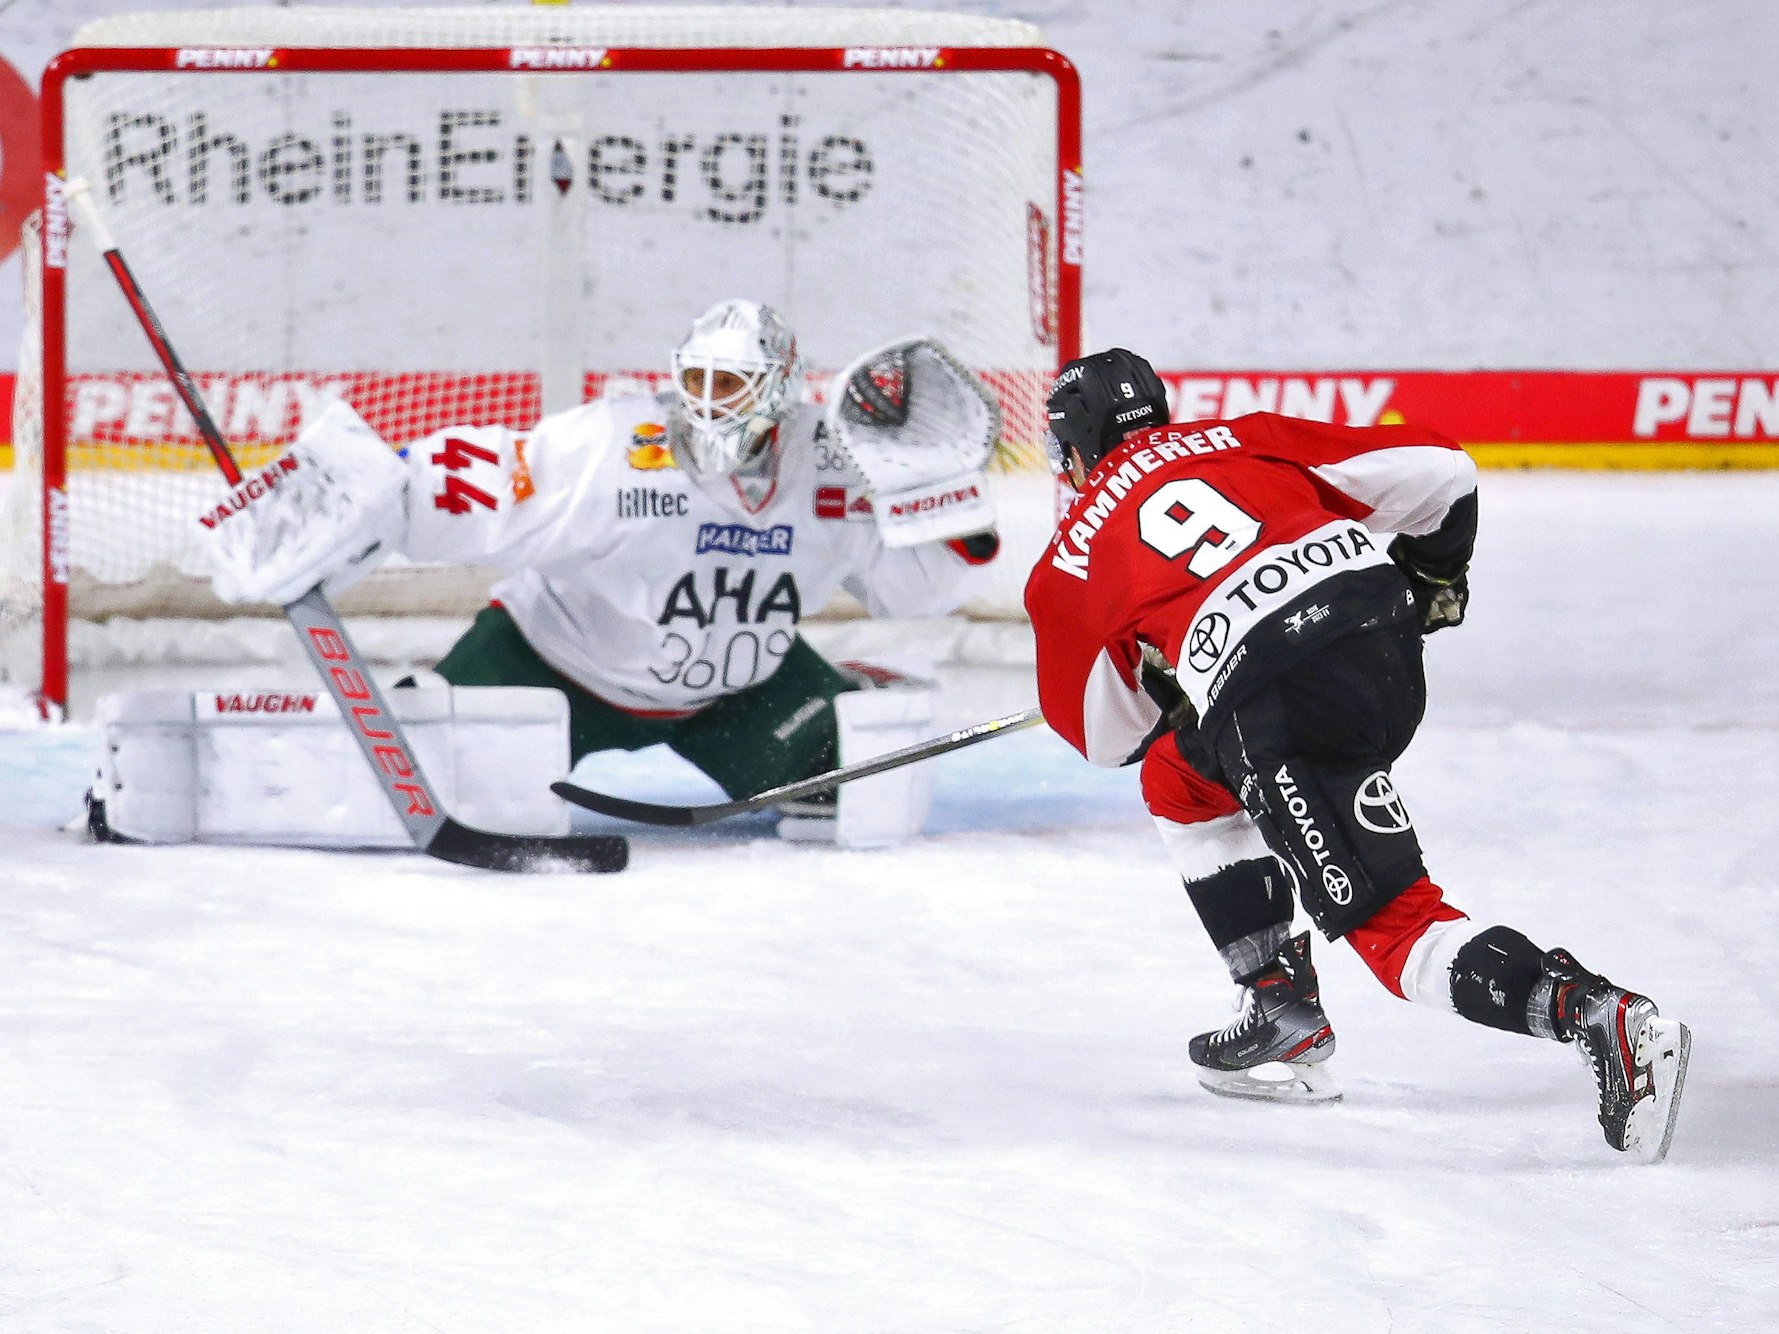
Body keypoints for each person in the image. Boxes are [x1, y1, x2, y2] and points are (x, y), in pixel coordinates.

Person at [1023, 347, 1691, 1161]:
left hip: (1278, 700)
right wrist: (1436, 578)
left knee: (1395, 933)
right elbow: (1443, 471)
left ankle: (1600, 1016)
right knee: (1181, 779)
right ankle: (1277, 1005)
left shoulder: (1067, 560)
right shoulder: (1243, 435)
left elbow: (1106, 738)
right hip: (1381, 641)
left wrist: (1171, 677)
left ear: (1074, 450)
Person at [207, 299, 1004, 844]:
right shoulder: (614, 444)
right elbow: (475, 482)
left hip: (737, 694)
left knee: (857, 785)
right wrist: (349, 499)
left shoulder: (834, 465)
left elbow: (916, 591)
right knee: (427, 787)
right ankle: (440, 702)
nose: (707, 403)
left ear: (781, 390)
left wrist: (946, 502)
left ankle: (845, 686)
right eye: (695, 380)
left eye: (730, 385)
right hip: (547, 668)